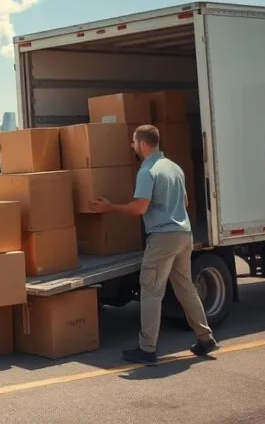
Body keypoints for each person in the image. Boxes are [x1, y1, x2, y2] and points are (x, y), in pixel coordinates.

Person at [90, 124, 219, 365]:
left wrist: (110, 208)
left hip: (163, 237)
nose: (132, 146)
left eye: (134, 142)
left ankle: (147, 348)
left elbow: (140, 207)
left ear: (143, 144)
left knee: (151, 290)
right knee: (186, 288)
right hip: (184, 234)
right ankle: (205, 337)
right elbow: (186, 201)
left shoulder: (147, 170)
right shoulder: (174, 168)